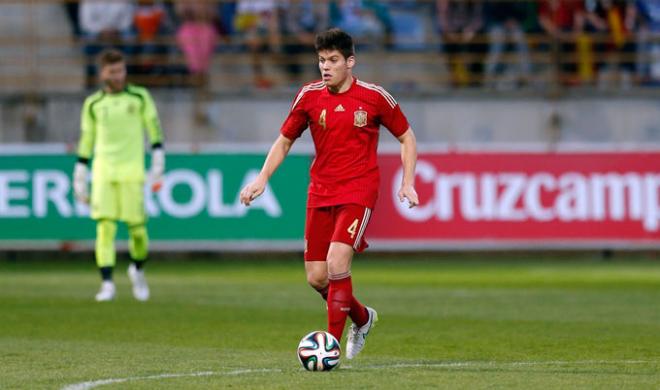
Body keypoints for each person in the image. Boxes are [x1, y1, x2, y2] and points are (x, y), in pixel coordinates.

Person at [239, 28, 419, 360]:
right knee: (317, 277)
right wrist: (262, 178)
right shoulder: (308, 96)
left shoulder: (375, 97)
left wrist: (407, 181)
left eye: (333, 60)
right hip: (321, 191)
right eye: (321, 60)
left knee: (337, 263)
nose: (325, 67)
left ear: (350, 62)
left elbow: (407, 137)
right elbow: (285, 140)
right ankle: (363, 318)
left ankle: (328, 348)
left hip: (359, 189)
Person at [73, 49, 165, 302]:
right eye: (113, 72)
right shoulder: (93, 104)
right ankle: (107, 284)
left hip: (132, 171)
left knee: (137, 230)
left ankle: (137, 269)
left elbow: (153, 128)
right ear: (102, 73)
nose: (118, 76)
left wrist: (158, 159)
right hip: (103, 172)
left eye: (121, 70)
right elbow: (87, 139)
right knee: (105, 229)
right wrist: (80, 171)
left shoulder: (139, 97)